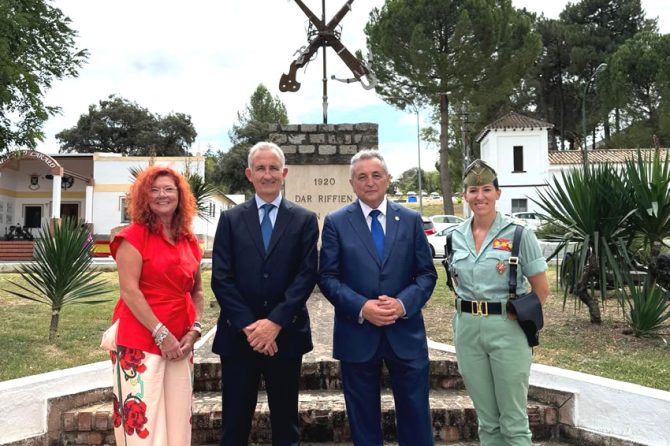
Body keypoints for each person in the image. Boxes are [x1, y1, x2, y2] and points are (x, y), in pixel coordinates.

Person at [319, 149, 437, 446]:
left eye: (375, 175)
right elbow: (328, 278)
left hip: (405, 333)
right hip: (357, 334)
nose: (369, 182)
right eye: (362, 177)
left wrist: (402, 304)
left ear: (388, 180)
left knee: (416, 417)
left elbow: (426, 274)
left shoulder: (410, 220)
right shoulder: (336, 222)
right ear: (352, 183)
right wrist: (362, 307)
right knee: (363, 420)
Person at [211, 141, 319, 446]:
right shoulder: (231, 220)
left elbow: (306, 275)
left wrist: (274, 324)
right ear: (249, 173)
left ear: (284, 173)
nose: (267, 174)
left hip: (286, 335)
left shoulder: (304, 220)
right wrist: (250, 326)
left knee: (286, 425)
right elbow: (221, 277)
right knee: (234, 425)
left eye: (273, 168)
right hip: (238, 337)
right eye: (261, 168)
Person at [447, 159, 549, 446]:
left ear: (498, 194)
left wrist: (517, 317)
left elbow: (541, 289)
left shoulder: (519, 234)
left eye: (487, 189)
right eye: (473, 190)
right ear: (464, 195)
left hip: (508, 326)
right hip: (467, 328)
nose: (480, 196)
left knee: (513, 421)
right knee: (487, 421)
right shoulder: (456, 237)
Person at [107, 166, 204, 445]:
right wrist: (161, 335)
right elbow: (129, 291)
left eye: (169, 189)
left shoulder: (189, 239)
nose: (162, 195)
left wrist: (194, 330)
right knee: (143, 424)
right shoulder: (133, 237)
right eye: (155, 189)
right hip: (140, 340)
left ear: (180, 196)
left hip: (181, 342)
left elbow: (197, 291)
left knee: (177, 421)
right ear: (143, 197)